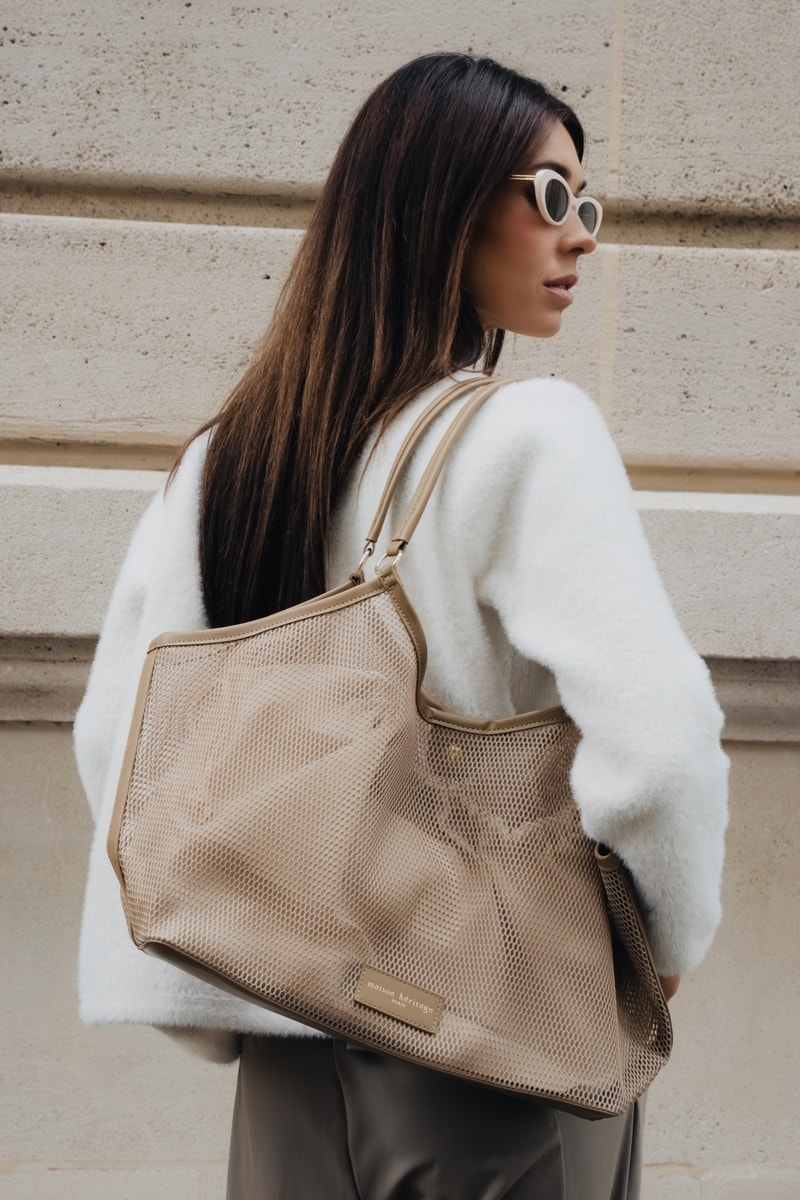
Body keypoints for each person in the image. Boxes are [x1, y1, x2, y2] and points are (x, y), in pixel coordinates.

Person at [74, 53, 729, 1199]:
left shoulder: (228, 460)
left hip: (289, 1053)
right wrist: (660, 946)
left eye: (586, 208)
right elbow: (660, 741)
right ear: (441, 198)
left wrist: (228, 991)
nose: (579, 238)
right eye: (550, 196)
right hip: (499, 1047)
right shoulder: (528, 434)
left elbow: (117, 744)